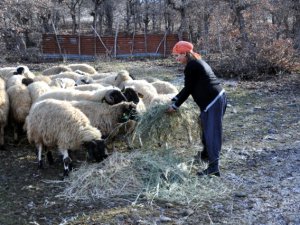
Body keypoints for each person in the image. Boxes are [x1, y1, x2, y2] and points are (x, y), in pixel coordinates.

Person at [166, 41, 227, 177]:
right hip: (214, 100)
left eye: (178, 56)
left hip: (213, 101)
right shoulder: (196, 63)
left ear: (186, 53)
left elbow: (188, 89)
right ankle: (205, 155)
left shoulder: (192, 65)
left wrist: (175, 106)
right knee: (205, 128)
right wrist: (175, 99)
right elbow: (190, 86)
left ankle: (214, 168)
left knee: (212, 133)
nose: (177, 59)